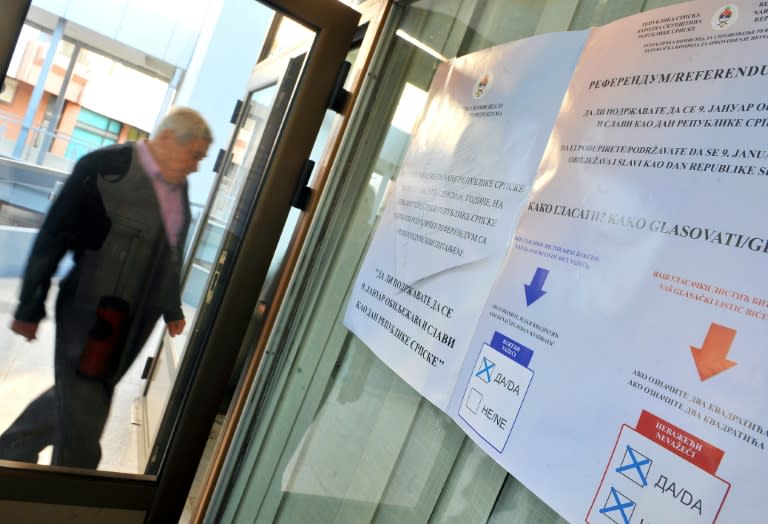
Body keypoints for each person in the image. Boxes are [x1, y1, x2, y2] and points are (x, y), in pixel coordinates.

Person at [0, 107, 212, 468]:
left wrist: (172, 307)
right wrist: (29, 307)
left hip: (136, 322)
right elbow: (54, 237)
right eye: (195, 155)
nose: (196, 167)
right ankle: (72, 495)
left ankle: (11, 450)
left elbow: (170, 253)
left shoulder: (178, 186)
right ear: (165, 139)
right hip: (90, 313)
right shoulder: (103, 167)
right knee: (85, 408)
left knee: (87, 395)